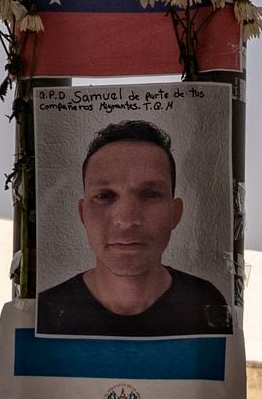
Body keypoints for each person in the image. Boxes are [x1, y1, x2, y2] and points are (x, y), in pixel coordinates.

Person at [37, 119, 232, 337]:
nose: (127, 219)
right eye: (104, 196)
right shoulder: (45, 312)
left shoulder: (206, 303)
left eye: (149, 194)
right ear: (83, 214)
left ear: (175, 213)